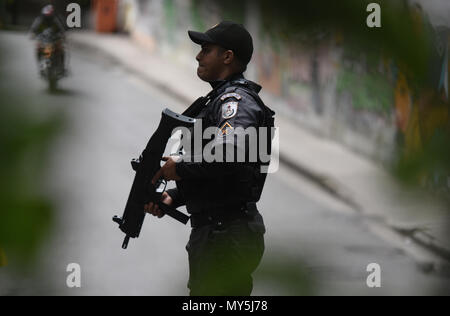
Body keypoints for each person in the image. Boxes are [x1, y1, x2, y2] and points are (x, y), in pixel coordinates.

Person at [145, 21, 275, 296]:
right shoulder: (218, 99)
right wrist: (175, 196)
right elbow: (223, 174)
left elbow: (232, 153)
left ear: (227, 57)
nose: (198, 56)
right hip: (218, 234)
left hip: (225, 237)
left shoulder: (235, 101)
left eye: (206, 49)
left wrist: (179, 167)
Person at [30, 4, 66, 70]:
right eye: (46, 15)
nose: (48, 17)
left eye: (49, 15)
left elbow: (61, 28)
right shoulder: (40, 19)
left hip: (54, 39)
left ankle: (62, 65)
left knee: (61, 48)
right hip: (43, 39)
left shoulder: (56, 20)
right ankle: (40, 62)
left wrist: (63, 35)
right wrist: (33, 33)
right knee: (38, 47)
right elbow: (34, 28)